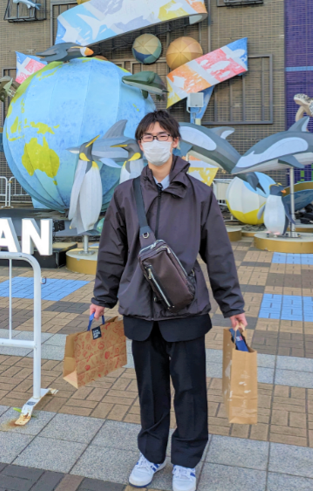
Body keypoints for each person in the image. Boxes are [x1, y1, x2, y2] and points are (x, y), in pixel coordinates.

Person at [90, 110, 246, 492]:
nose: (155, 142)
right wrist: (101, 298)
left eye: (162, 135)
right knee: (151, 388)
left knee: (190, 389)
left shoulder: (199, 194)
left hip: (186, 308)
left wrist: (234, 307)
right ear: (140, 144)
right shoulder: (126, 194)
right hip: (140, 310)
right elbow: (112, 251)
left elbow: (219, 254)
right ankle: (151, 454)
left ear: (176, 141)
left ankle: (187, 461)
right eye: (147, 137)